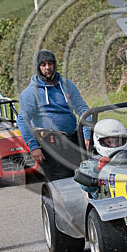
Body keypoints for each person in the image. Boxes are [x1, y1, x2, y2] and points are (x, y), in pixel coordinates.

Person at [17, 49, 91, 181]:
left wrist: (87, 136)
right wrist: (33, 146)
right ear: (38, 67)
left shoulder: (67, 85)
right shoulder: (30, 93)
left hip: (73, 141)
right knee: (61, 185)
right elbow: (23, 120)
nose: (47, 68)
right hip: (49, 144)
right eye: (43, 64)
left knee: (85, 179)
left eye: (50, 64)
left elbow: (83, 109)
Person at [76, 118, 127, 199]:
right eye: (109, 142)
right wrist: (97, 169)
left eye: (118, 141)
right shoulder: (92, 164)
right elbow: (85, 186)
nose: (114, 145)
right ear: (98, 141)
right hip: (105, 203)